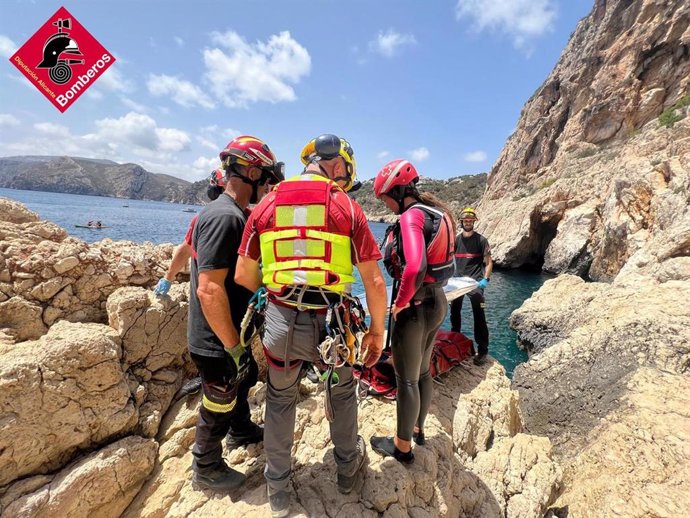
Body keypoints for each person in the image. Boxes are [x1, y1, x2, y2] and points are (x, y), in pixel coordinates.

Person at [235, 134, 387, 517]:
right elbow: (374, 280)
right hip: (334, 327)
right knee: (340, 392)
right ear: (337, 165)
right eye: (346, 173)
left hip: (281, 324)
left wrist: (280, 292)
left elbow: (243, 275)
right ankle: (348, 472)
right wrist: (376, 331)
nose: (345, 180)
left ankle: (279, 489)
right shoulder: (347, 208)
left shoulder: (266, 204)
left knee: (281, 399)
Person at [188, 135, 285, 492]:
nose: (269, 183)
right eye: (266, 175)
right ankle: (206, 467)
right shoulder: (224, 217)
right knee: (219, 397)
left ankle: (240, 431)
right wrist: (231, 344)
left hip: (231, 330)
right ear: (251, 171)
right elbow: (209, 288)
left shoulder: (238, 215)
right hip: (215, 337)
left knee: (241, 382)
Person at [368, 159, 456, 464]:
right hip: (437, 302)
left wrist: (400, 302)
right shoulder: (438, 213)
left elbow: (415, 266)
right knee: (422, 372)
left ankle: (402, 447)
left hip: (415, 306)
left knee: (405, 378)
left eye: (385, 198)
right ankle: (418, 429)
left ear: (398, 191)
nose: (386, 204)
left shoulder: (410, 216)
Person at [153, 168, 227, 297]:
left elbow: (186, 249)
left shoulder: (203, 219)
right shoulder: (247, 217)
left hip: (208, 293)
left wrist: (168, 278)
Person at [450, 207, 493, 366]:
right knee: (455, 313)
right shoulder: (456, 240)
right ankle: (454, 344)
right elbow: (448, 261)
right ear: (461, 222)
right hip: (457, 282)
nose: (468, 222)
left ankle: (482, 350)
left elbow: (488, 263)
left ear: (474, 222)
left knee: (479, 315)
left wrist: (485, 280)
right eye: (465, 220)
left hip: (475, 283)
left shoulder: (481, 240)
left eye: (471, 220)